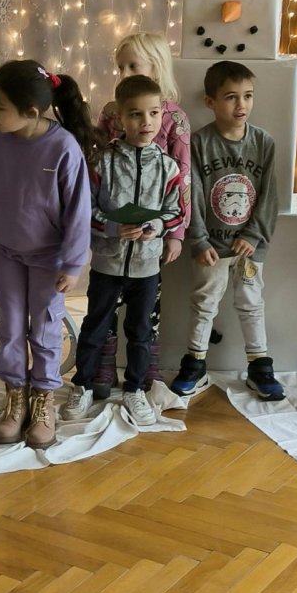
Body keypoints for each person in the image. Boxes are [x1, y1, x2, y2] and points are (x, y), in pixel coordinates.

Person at [0, 59, 95, 449]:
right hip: (6, 254)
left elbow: (78, 210)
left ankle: (43, 398)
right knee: (9, 328)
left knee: (44, 328)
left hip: (49, 260)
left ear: (31, 112)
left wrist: (73, 263)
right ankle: (15, 396)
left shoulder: (63, 147)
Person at [63, 75, 182, 425]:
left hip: (147, 266)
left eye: (153, 113)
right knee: (95, 327)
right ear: (119, 118)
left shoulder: (168, 167)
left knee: (141, 332)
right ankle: (83, 384)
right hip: (107, 264)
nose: (146, 122)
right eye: (135, 114)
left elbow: (176, 211)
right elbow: (85, 211)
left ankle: (135, 388)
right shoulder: (103, 162)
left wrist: (156, 226)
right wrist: (114, 227)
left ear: (162, 115)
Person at [170, 61, 284, 401]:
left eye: (248, 96)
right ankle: (195, 364)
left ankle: (260, 366)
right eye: (231, 97)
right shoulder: (199, 143)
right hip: (211, 246)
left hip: (249, 246)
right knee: (204, 303)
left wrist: (253, 235)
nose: (241, 105)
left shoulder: (263, 142)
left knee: (251, 302)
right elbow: (192, 194)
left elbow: (269, 195)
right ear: (211, 101)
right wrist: (198, 239)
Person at [92, 32, 192, 398]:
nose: (123, 73)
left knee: (147, 302)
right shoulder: (111, 112)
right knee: (105, 300)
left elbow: (184, 177)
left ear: (157, 66)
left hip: (151, 235)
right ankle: (103, 362)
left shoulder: (175, 118)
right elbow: (98, 162)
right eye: (120, 67)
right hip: (112, 231)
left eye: (133, 66)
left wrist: (175, 232)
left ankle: (146, 362)